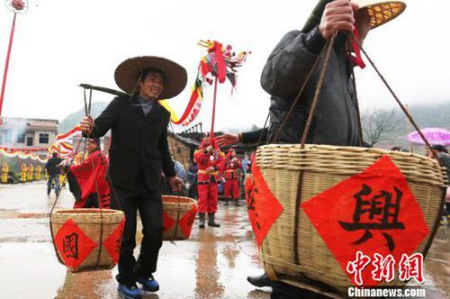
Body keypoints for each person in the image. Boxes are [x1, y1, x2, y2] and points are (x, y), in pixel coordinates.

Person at [217, 0, 406, 294]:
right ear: (343, 18)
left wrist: (378, 155)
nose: (364, 30)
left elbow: (345, 133)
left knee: (327, 270)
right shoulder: (302, 42)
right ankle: (278, 274)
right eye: (361, 21)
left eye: (366, 24)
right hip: (300, 182)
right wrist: (318, 36)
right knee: (299, 274)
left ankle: (278, 272)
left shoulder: (344, 69)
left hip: (336, 187)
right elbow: (272, 78)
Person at [80, 56, 186, 299]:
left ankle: (144, 272)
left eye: (160, 82)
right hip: (122, 181)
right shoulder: (120, 104)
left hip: (150, 180)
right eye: (152, 80)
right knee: (126, 234)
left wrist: (171, 175)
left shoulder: (161, 113)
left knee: (156, 229)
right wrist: (89, 128)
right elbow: (99, 129)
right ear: (140, 82)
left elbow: (162, 148)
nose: (156, 85)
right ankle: (126, 279)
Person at [67, 138, 111, 209]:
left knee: (82, 205)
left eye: (89, 144)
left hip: (95, 186)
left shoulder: (94, 156)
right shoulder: (101, 154)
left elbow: (82, 167)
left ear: (95, 144)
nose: (87, 146)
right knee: (102, 207)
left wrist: (69, 168)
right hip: (103, 184)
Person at [193, 136, 225, 228]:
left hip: (213, 178)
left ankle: (211, 220)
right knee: (202, 199)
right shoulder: (199, 149)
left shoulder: (218, 151)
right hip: (203, 177)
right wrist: (207, 151)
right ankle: (202, 220)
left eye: (209, 137)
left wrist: (214, 168)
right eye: (205, 137)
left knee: (213, 199)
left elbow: (222, 162)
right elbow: (198, 159)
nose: (207, 139)